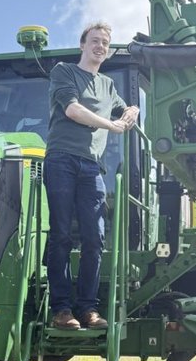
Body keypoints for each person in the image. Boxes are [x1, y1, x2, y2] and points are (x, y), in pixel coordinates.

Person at [44, 22, 140, 331]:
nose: (100, 46)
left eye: (105, 43)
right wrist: (111, 125)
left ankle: (87, 309)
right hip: (61, 159)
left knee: (95, 237)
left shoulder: (108, 85)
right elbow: (72, 110)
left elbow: (126, 110)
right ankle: (61, 309)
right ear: (82, 45)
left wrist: (133, 111)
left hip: (91, 166)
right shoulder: (64, 72)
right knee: (60, 234)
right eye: (95, 41)